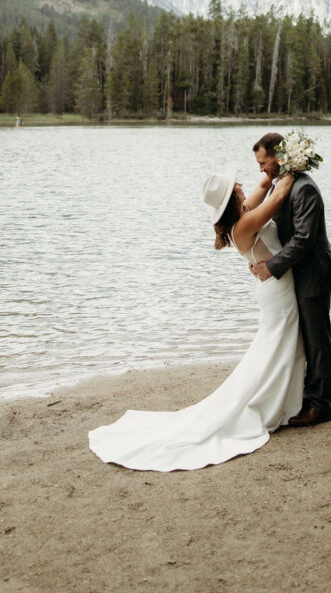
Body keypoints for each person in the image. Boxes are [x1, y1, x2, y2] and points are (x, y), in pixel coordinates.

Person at [88, 164, 304, 472]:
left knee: (278, 347)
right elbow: (279, 195)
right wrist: (298, 162)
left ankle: (285, 403)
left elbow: (267, 182)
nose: (242, 185)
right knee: (274, 349)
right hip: (276, 293)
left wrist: (274, 168)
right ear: (232, 198)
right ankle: (270, 407)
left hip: (274, 288)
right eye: (236, 186)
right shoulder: (244, 225)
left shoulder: (244, 213)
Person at [251, 132, 331, 427]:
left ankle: (320, 406)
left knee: (317, 341)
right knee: (304, 339)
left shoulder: (305, 190)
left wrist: (272, 266)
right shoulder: (283, 185)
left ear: (279, 157)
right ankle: (305, 397)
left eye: (264, 162)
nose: (261, 169)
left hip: (313, 274)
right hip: (297, 274)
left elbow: (303, 239)